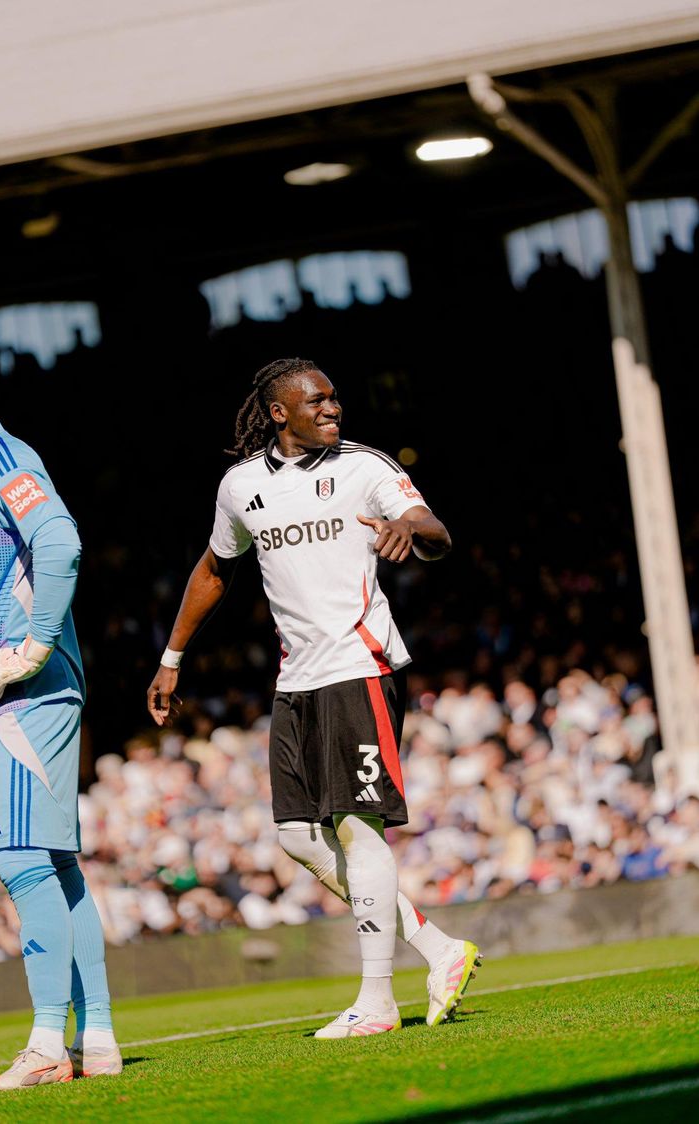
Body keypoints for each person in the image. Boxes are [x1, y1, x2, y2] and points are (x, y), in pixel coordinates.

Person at [148, 357, 481, 1038]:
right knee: (297, 837)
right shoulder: (242, 487)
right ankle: (438, 949)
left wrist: (410, 533)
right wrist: (171, 657)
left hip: (361, 666)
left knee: (358, 829)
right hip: (296, 679)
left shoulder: (365, 466)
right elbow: (215, 568)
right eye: (317, 401)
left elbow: (436, 531)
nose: (333, 408)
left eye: (334, 398)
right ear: (279, 412)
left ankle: (378, 1002)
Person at [0, 334, 121, 1089]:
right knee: (55, 866)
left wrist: (31, 648)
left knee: (20, 862)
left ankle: (49, 1044)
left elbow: (60, 540)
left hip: (26, 698)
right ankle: (99, 1039)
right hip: (17, 701)